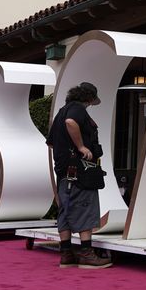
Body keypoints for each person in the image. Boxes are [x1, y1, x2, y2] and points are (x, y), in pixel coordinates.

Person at [46, 82, 112, 269]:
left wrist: (65, 152)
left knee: (65, 209)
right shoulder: (77, 110)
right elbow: (71, 122)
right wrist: (81, 146)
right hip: (80, 169)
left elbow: (51, 143)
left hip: (64, 170)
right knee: (86, 206)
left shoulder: (62, 111)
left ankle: (66, 253)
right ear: (88, 99)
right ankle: (86, 253)